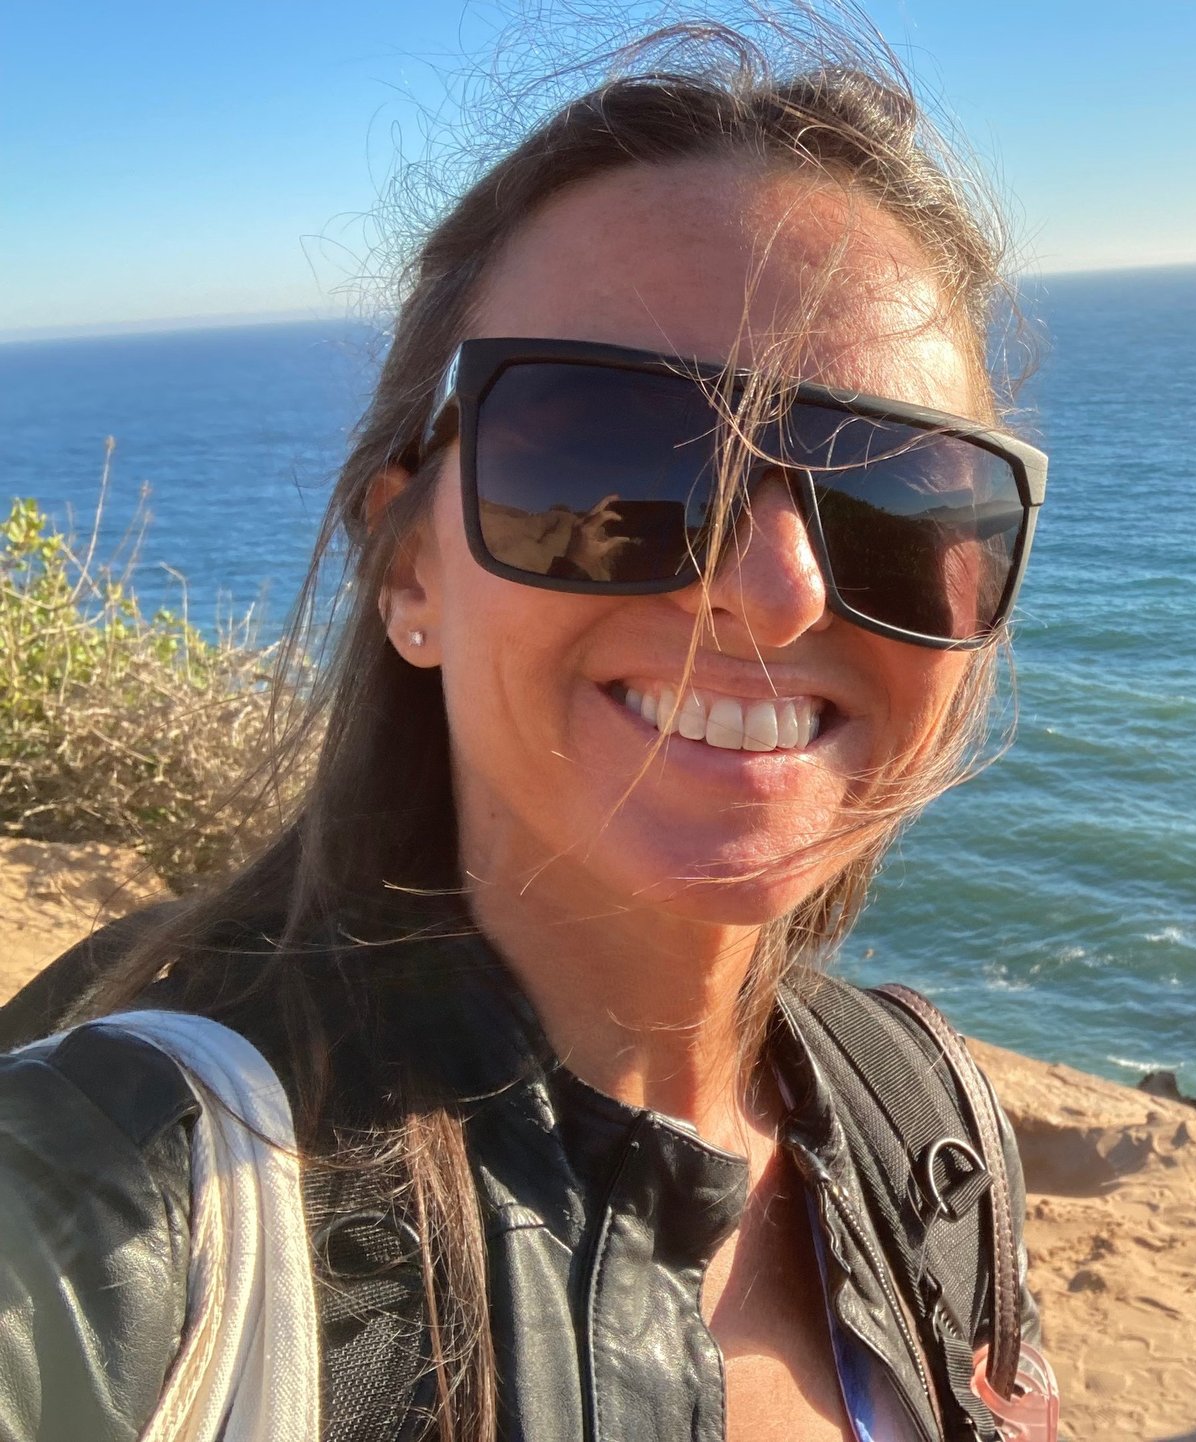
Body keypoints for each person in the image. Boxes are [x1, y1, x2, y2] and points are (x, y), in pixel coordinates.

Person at [0, 16, 1052, 1442]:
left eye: (899, 501)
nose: (780, 587)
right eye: (620, 459)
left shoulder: (927, 1126)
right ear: (409, 571)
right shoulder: (115, 1204)